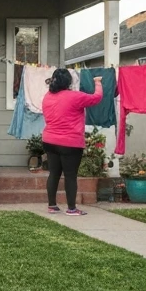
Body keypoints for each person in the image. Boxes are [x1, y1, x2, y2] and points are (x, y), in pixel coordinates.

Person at [41, 68, 103, 215]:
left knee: (54, 174)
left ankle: (52, 206)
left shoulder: (47, 97)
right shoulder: (75, 97)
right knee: (70, 175)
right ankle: (71, 208)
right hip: (70, 143)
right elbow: (97, 98)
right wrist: (98, 82)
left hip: (49, 141)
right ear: (69, 81)